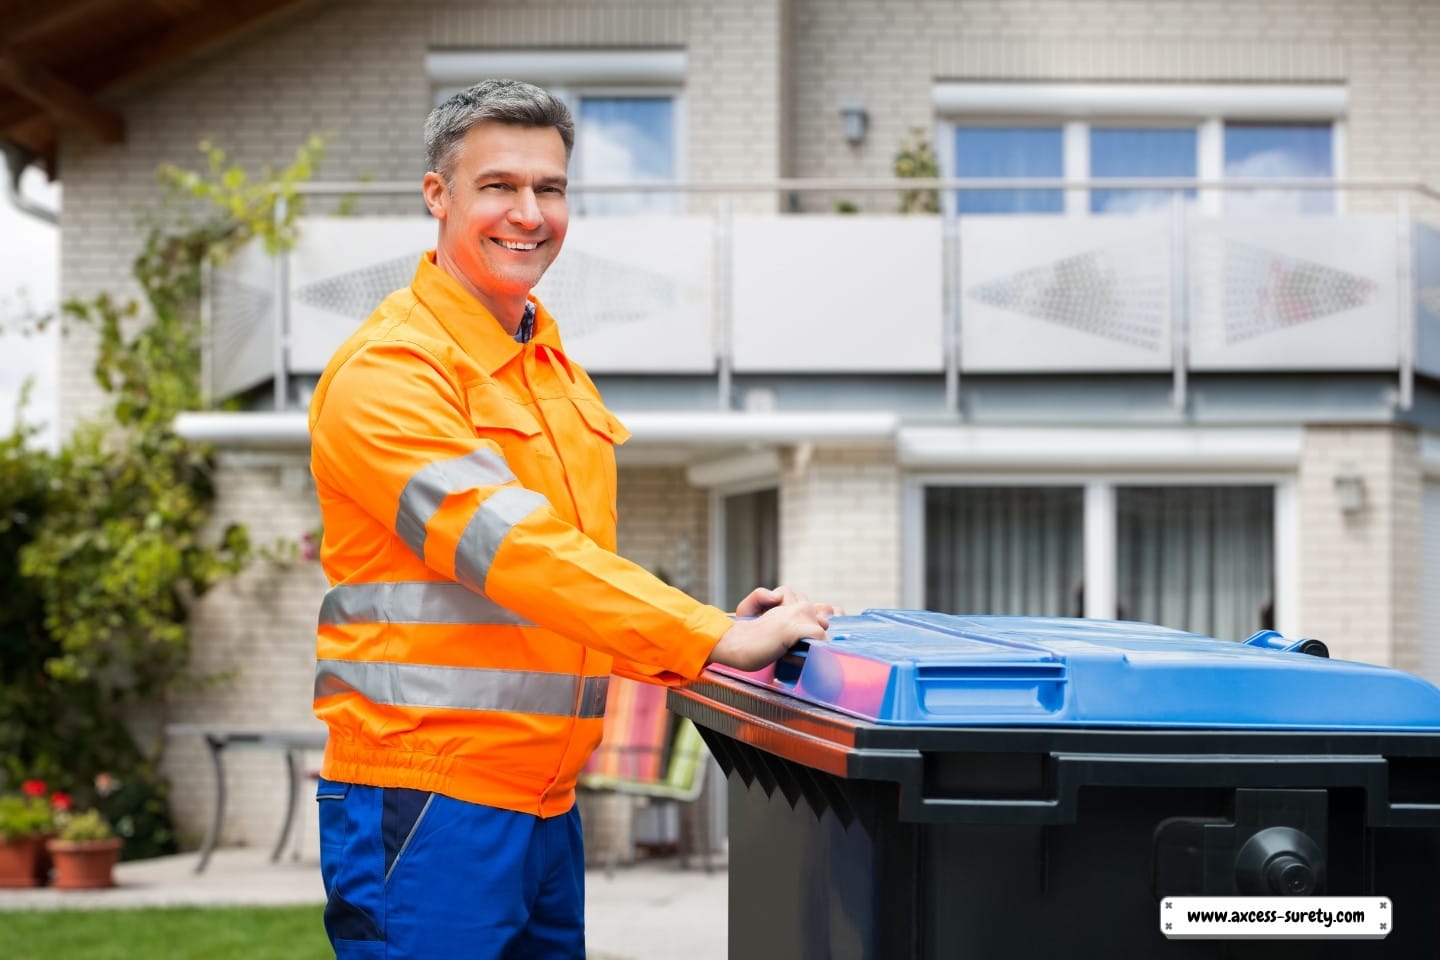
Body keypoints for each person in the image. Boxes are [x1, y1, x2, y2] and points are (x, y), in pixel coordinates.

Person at [307, 78, 836, 959]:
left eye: (549, 189)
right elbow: (518, 555)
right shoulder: (389, 373)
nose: (529, 213)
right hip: (430, 797)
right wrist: (703, 635)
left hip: (546, 799)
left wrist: (706, 644)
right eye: (498, 187)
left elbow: (575, 586)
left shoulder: (550, 370)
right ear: (437, 196)